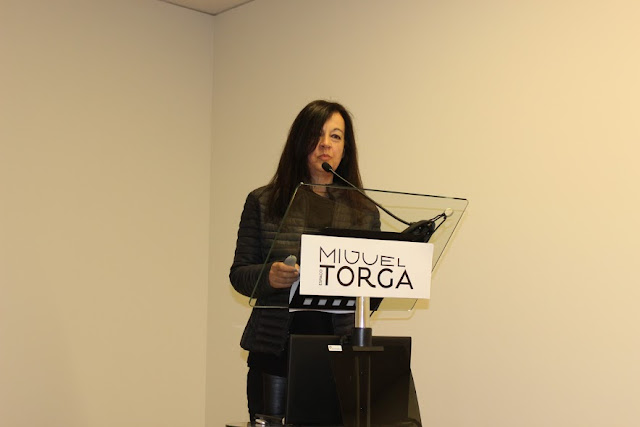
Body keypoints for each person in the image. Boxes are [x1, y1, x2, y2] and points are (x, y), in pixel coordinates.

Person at [229, 100, 380, 421]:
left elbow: (373, 293)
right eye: (316, 134)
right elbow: (239, 274)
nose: (326, 144)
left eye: (336, 136)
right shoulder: (263, 201)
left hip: (340, 354)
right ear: (299, 141)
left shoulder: (364, 211)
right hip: (276, 349)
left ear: (345, 148)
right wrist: (269, 276)